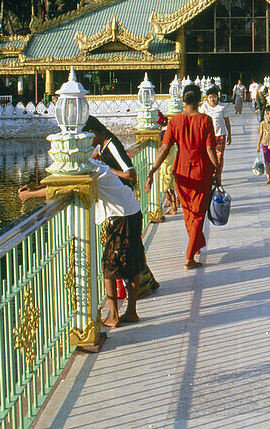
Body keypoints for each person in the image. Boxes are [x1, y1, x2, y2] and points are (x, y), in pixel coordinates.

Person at [18, 157, 147, 328]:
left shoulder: (84, 169)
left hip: (121, 217)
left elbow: (66, 187)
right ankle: (131, 312)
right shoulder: (90, 164)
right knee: (133, 262)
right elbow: (61, 183)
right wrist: (36, 187)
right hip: (133, 211)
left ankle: (114, 316)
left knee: (110, 266)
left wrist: (30, 195)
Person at [83, 115, 160, 297]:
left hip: (122, 204)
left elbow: (131, 175)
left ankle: (142, 288)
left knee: (125, 252)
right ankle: (150, 282)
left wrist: (106, 169)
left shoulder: (111, 145)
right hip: (124, 205)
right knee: (133, 247)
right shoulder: (103, 147)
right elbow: (95, 159)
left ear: (93, 133)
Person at [146, 83, 218, 269]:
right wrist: (217, 169)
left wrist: (152, 170)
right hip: (201, 170)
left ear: (183, 100)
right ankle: (189, 257)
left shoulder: (174, 121)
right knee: (199, 213)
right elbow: (210, 149)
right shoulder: (205, 120)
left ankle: (196, 244)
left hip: (181, 171)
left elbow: (164, 148)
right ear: (200, 99)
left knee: (188, 211)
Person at [200, 85, 233, 181]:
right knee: (208, 156)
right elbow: (201, 122)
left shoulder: (222, 106)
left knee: (219, 157)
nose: (212, 99)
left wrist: (229, 134)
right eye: (210, 97)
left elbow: (227, 121)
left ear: (217, 96)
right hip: (208, 136)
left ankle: (218, 176)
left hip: (220, 135)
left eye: (214, 96)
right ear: (207, 98)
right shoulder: (204, 107)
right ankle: (210, 175)